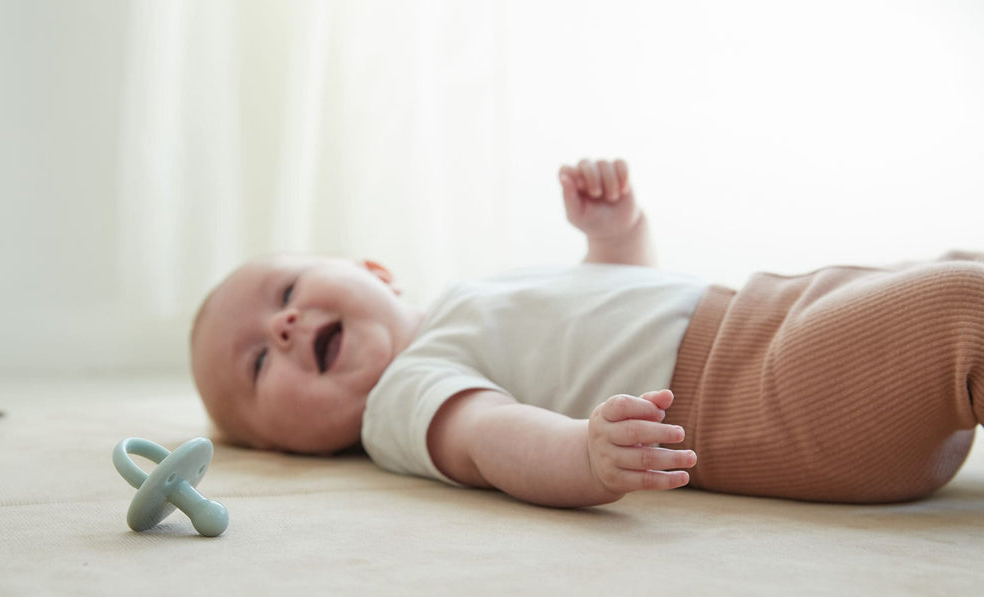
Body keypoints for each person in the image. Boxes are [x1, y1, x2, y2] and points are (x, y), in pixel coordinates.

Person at [190, 159, 984, 508]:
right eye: (258, 362)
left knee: (949, 273)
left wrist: (615, 235)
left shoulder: (471, 297)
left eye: (286, 291)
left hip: (767, 313)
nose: (285, 324)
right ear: (280, 446)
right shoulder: (401, 398)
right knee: (959, 310)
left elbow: (611, 304)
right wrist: (583, 454)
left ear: (377, 269)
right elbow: (492, 437)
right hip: (752, 396)